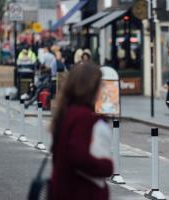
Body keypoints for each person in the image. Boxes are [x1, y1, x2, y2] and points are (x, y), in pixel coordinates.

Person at [49, 62, 114, 200]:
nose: (102, 89)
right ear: (90, 87)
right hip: (81, 192)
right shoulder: (83, 116)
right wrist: (107, 166)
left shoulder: (68, 112)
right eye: (100, 85)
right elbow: (78, 155)